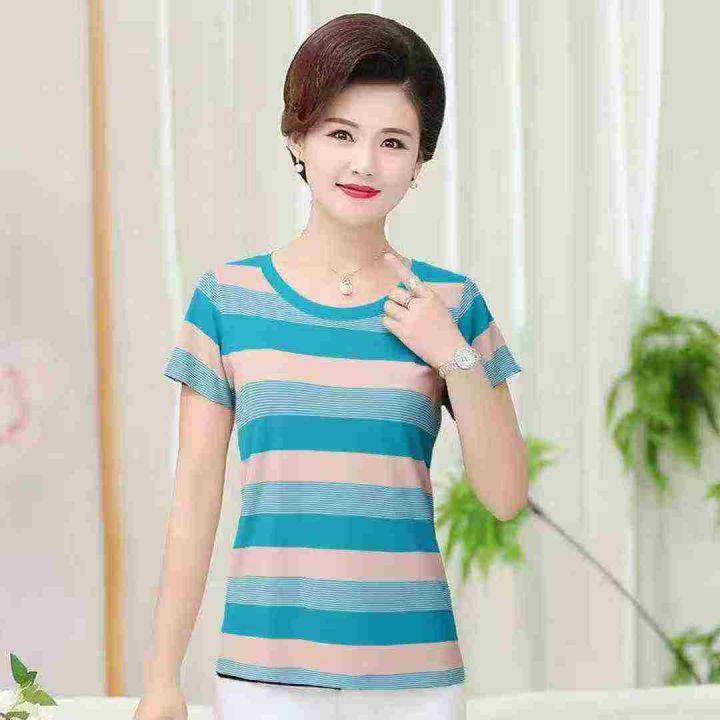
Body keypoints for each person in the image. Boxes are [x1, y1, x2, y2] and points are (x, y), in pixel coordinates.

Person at [135, 11, 525, 720]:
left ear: (419, 163)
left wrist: (453, 354)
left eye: (393, 142)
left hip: (415, 679)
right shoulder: (228, 299)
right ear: (298, 138)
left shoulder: (451, 303)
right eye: (341, 134)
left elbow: (504, 496)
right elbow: (194, 498)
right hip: (264, 675)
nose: (364, 163)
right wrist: (162, 680)